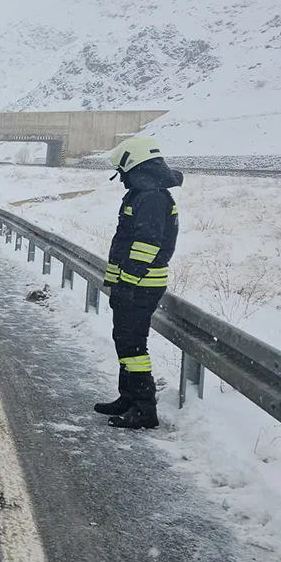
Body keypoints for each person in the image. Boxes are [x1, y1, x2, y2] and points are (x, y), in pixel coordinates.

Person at [96, 137, 181, 430]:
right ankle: (129, 398)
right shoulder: (143, 193)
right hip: (134, 284)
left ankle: (145, 409)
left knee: (132, 344)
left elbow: (147, 244)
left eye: (123, 170)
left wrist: (127, 284)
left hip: (141, 286)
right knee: (125, 339)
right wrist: (116, 281)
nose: (121, 176)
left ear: (135, 165)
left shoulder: (151, 197)